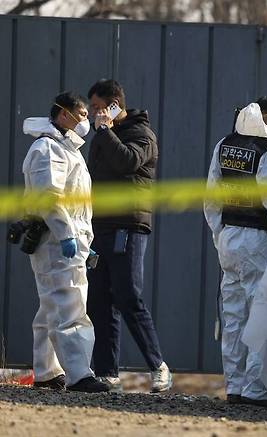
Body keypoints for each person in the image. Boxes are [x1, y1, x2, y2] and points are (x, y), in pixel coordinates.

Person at [204, 97, 267, 409]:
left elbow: (212, 199)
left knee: (234, 319)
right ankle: (258, 390)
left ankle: (236, 387)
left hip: (228, 239)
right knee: (263, 316)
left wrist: (220, 236)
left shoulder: (224, 146)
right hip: (260, 243)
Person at [85, 79, 172, 393]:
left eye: (97, 107)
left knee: (128, 296)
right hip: (99, 227)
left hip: (128, 227)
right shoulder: (101, 136)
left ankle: (158, 366)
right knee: (99, 300)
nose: (92, 113)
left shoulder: (141, 133)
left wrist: (105, 130)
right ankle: (107, 371)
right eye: (91, 108)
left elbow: (128, 162)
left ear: (113, 105)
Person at [22, 92, 109, 392]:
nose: (86, 120)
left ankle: (46, 371)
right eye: (82, 114)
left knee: (51, 308)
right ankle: (79, 374)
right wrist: (67, 235)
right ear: (63, 115)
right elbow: (50, 198)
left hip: (67, 240)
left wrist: (84, 238)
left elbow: (77, 204)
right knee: (70, 305)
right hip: (57, 242)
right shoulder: (48, 149)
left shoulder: (66, 149)